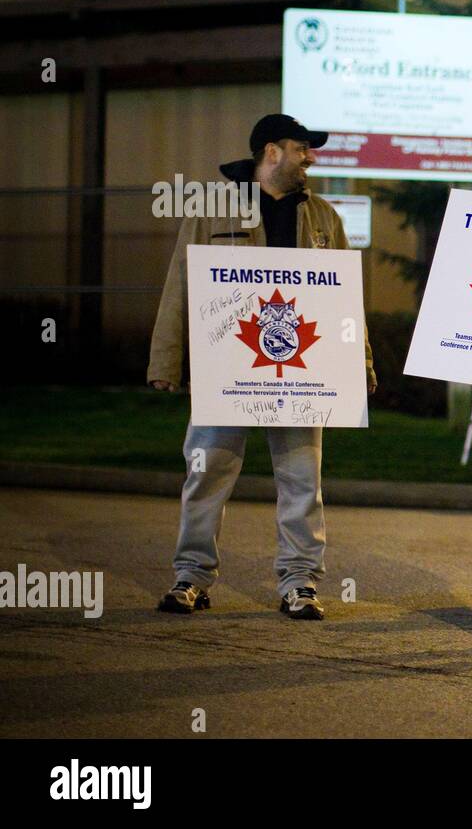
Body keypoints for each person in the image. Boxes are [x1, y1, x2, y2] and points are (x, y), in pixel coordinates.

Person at [149, 113, 377, 621]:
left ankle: (300, 584)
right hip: (224, 370)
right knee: (206, 473)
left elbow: (345, 300)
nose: (311, 157)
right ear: (271, 152)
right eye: (303, 149)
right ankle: (191, 577)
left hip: (303, 372)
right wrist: (166, 359)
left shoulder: (323, 218)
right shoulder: (211, 210)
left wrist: (358, 362)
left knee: (301, 480)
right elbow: (180, 285)